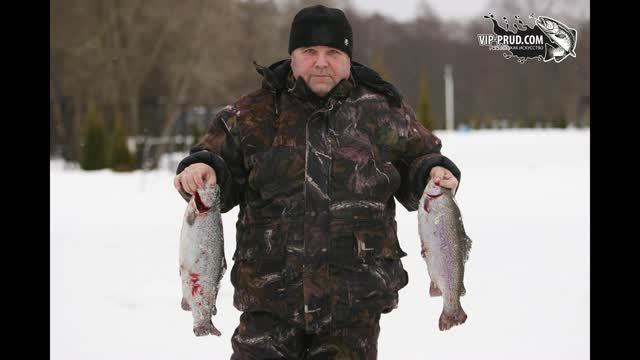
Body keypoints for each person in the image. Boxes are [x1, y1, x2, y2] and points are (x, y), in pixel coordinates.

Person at [173, 5, 461, 359]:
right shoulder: (251, 114)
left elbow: (421, 157)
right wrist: (202, 168)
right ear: (292, 58)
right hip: (269, 298)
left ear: (348, 59)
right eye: (310, 52)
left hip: (353, 303)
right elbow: (214, 163)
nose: (321, 62)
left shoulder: (382, 110)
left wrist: (433, 171)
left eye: (333, 52)